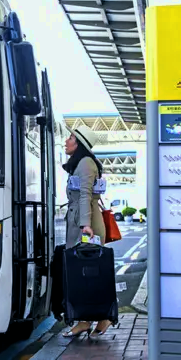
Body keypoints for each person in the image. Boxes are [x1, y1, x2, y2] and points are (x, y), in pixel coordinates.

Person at [61, 125, 111, 339]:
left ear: (79, 143)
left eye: (70, 138)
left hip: (87, 226)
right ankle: (86, 320)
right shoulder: (81, 163)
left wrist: (85, 225)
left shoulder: (86, 164)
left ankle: (101, 318)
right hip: (81, 223)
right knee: (83, 275)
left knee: (89, 274)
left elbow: (85, 196)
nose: (66, 140)